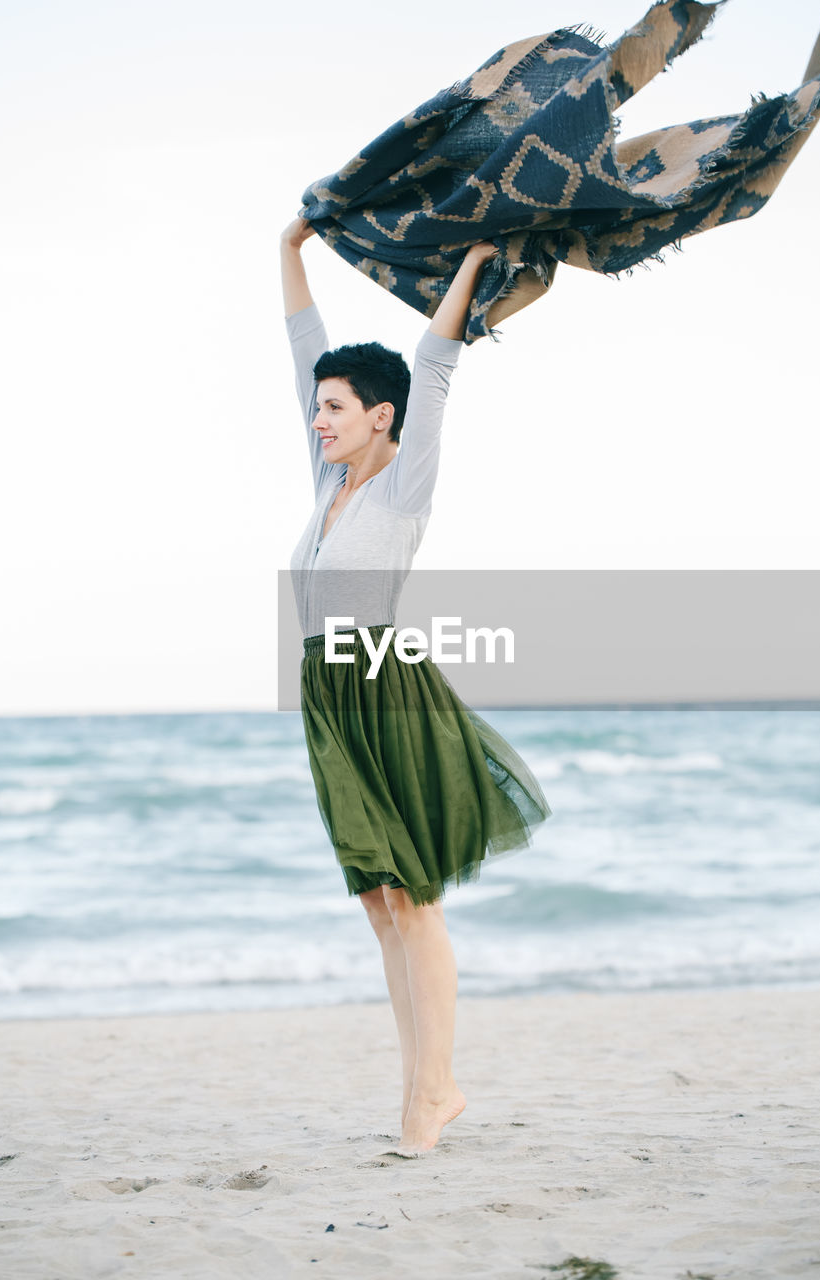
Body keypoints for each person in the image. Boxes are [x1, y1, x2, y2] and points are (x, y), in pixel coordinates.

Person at [281, 216, 550, 1155]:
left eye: (335, 410)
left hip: (384, 690)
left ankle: (431, 1092)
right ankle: (423, 1089)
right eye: (316, 409)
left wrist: (473, 267)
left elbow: (432, 368)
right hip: (327, 696)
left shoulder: (401, 488)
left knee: (415, 895)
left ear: (379, 418)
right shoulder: (327, 489)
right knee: (377, 899)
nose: (318, 420)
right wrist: (291, 252)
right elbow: (305, 353)